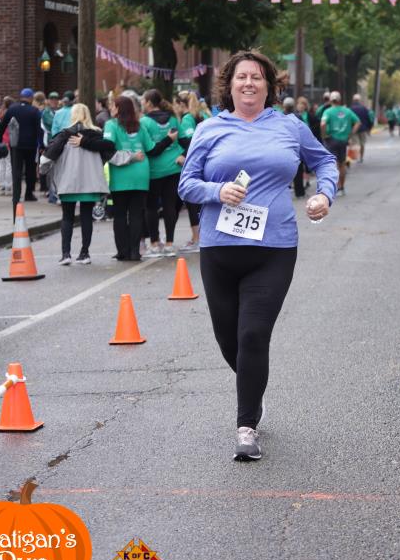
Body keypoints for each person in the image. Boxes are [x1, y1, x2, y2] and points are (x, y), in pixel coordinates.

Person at [178, 50, 337, 461]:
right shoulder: (210, 129)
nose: (249, 83)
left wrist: (324, 194)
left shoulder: (289, 126)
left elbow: (325, 161)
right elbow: (186, 184)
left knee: (253, 335)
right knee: (228, 340)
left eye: (257, 77)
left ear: (269, 85)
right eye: (241, 77)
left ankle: (246, 427)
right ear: (229, 85)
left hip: (274, 248)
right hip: (220, 247)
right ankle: (253, 385)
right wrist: (217, 191)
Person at [41, 104, 113, 265]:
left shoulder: (64, 135)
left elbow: (48, 157)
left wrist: (43, 171)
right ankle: (85, 253)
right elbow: (109, 152)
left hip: (68, 182)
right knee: (86, 217)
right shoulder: (97, 135)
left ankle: (66, 254)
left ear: (72, 116)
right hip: (90, 182)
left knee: (67, 217)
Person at [104, 96, 154, 260]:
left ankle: (123, 251)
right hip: (141, 174)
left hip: (121, 175)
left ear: (119, 108)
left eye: (113, 105)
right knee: (136, 215)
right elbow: (150, 148)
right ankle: (135, 252)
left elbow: (108, 146)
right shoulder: (140, 126)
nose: (110, 108)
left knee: (119, 214)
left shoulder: (111, 125)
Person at [140, 89, 184, 258]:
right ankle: (169, 244)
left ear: (149, 103)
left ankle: (154, 243)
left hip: (154, 170)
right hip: (174, 167)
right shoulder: (173, 118)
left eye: (143, 100)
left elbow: (151, 149)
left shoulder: (144, 122)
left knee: (151, 207)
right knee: (169, 206)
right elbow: (183, 140)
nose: (142, 103)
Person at [0, 88, 43, 215]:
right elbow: (39, 129)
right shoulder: (34, 111)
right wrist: (41, 144)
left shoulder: (12, 109)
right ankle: (29, 193)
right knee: (30, 170)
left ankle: (16, 195)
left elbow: (3, 125)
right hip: (30, 145)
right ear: (31, 98)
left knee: (16, 170)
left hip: (15, 145)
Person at [175, 90, 205, 252]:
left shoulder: (187, 119)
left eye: (176, 103)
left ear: (181, 104)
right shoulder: (201, 115)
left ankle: (197, 238)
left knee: (193, 202)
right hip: (204, 164)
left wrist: (184, 156)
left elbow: (193, 142)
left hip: (194, 165)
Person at [321, 91, 359, 196]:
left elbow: (323, 124)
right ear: (340, 100)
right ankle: (342, 187)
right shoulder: (347, 111)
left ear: (330, 100)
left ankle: (333, 188)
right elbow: (357, 122)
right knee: (342, 164)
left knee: (332, 164)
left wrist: (324, 135)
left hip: (331, 140)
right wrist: (351, 134)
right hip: (343, 140)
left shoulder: (328, 111)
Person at [349, 94, 373, 163]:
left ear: (353, 100)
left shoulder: (350, 109)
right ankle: (361, 157)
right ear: (359, 100)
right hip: (363, 129)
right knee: (362, 144)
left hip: (354, 128)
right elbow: (368, 118)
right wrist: (369, 128)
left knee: (355, 143)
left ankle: (356, 157)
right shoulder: (364, 108)